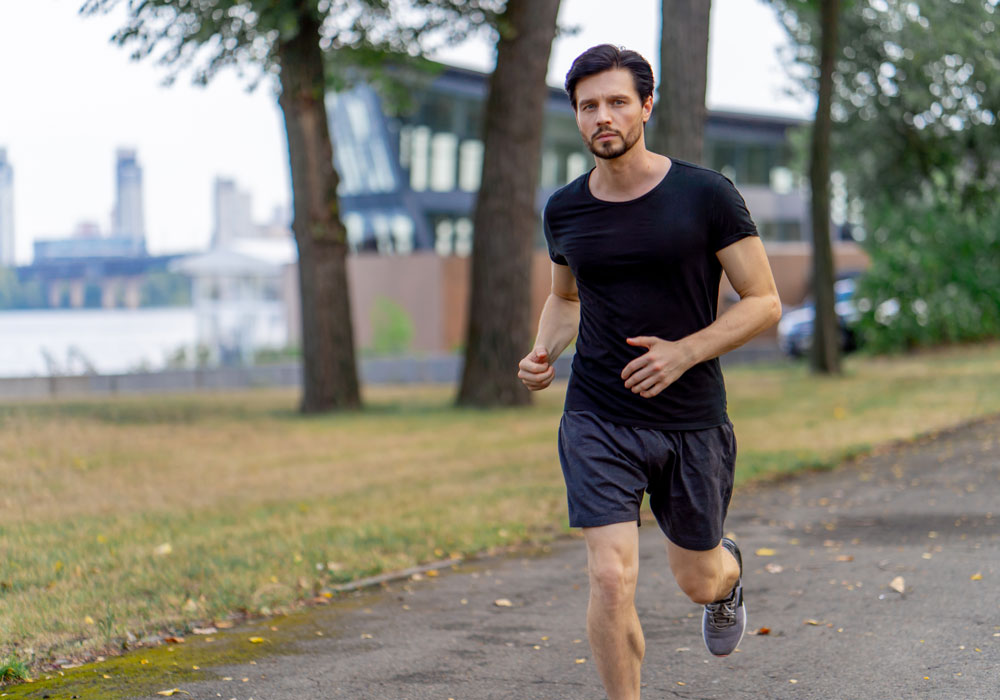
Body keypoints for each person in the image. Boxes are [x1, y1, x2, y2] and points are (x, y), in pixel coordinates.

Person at [517, 44, 782, 700]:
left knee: (699, 578)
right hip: (599, 415)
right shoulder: (565, 210)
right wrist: (543, 350)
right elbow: (565, 297)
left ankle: (729, 576)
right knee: (610, 577)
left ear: (646, 106)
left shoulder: (706, 195)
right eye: (588, 106)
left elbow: (766, 303)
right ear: (576, 117)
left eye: (615, 102)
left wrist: (684, 350)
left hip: (691, 420)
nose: (601, 116)